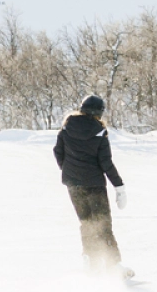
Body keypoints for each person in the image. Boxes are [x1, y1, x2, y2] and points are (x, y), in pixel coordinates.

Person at [53, 93, 129, 276]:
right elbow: (106, 163)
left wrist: (69, 170)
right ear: (99, 113)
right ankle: (113, 265)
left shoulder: (66, 128)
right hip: (94, 185)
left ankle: (91, 261)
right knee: (103, 223)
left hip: (73, 185)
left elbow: (58, 152)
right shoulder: (99, 132)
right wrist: (119, 187)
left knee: (86, 222)